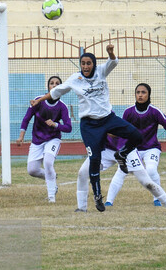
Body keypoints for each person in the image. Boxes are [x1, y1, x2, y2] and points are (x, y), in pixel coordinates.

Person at [31, 44, 142, 212]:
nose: (86, 66)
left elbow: (113, 62)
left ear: (94, 64)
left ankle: (122, 154)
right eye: (83, 63)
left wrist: (111, 53)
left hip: (108, 118)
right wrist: (39, 101)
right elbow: (56, 92)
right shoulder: (75, 79)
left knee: (136, 136)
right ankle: (97, 196)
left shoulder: (101, 72)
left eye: (89, 63)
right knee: (94, 159)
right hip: (89, 125)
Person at [104, 83, 166, 207]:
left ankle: (157, 199)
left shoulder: (154, 111)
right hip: (132, 148)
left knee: (151, 169)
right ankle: (109, 201)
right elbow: (121, 130)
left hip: (151, 148)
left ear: (149, 95)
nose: (140, 95)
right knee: (121, 171)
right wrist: (107, 132)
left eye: (143, 92)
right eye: (138, 92)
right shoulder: (128, 112)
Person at [75, 135, 166, 213]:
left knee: (146, 182)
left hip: (126, 150)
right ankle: (81, 208)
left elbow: (113, 133)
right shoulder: (87, 119)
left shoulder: (107, 116)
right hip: (105, 150)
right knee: (82, 173)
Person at [17, 76, 72, 203]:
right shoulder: (38, 101)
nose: (54, 85)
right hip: (37, 139)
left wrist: (55, 125)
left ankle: (51, 197)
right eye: (52, 83)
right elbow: (26, 118)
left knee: (48, 162)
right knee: (32, 170)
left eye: (57, 83)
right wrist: (21, 136)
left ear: (61, 88)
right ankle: (52, 177)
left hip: (53, 139)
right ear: (48, 87)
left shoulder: (62, 107)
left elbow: (68, 127)